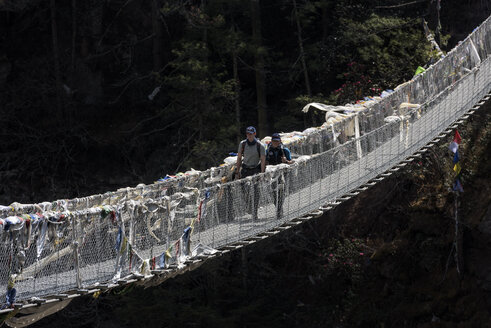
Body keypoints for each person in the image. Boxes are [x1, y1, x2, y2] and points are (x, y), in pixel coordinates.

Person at [236, 126, 266, 220]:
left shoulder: (260, 145)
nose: (249, 136)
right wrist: (237, 171)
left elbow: (263, 160)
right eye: (248, 134)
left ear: (255, 134)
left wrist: (262, 173)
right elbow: (239, 157)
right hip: (245, 169)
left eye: (251, 134)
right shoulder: (243, 144)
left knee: (256, 191)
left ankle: (255, 212)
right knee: (245, 189)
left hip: (255, 170)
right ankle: (249, 207)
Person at [266, 133, 293, 220]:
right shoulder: (268, 150)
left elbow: (291, 161)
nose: (275, 143)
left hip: (283, 174)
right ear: (271, 141)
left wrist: (286, 161)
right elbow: (265, 161)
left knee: (282, 192)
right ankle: (278, 208)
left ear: (280, 141)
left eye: (277, 141)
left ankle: (279, 210)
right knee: (273, 192)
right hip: (272, 175)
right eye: (274, 141)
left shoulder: (285, 150)